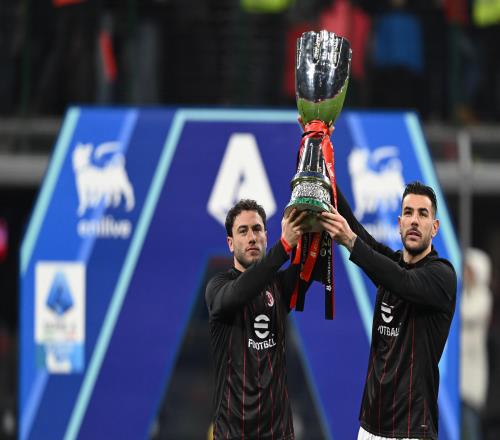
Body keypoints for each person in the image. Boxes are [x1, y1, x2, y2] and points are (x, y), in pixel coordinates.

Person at [319, 181, 457, 440]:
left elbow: (402, 281)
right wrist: (327, 178)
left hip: (411, 428)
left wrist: (351, 242)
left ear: (435, 227)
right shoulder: (392, 266)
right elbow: (359, 234)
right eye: (408, 212)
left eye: (423, 214)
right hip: (370, 425)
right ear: (399, 222)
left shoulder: (442, 275)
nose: (414, 220)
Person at [205, 199, 309, 439]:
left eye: (257, 229)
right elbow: (239, 292)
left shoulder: (279, 287)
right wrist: (283, 247)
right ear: (231, 243)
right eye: (243, 231)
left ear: (266, 236)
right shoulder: (217, 287)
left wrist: (312, 221)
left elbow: (312, 262)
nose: (252, 237)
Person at [460, 248, 492, 440]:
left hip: (471, 381)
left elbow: (465, 313)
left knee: (469, 429)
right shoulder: (464, 294)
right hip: (457, 378)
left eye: (469, 270)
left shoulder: (483, 297)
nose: (465, 274)